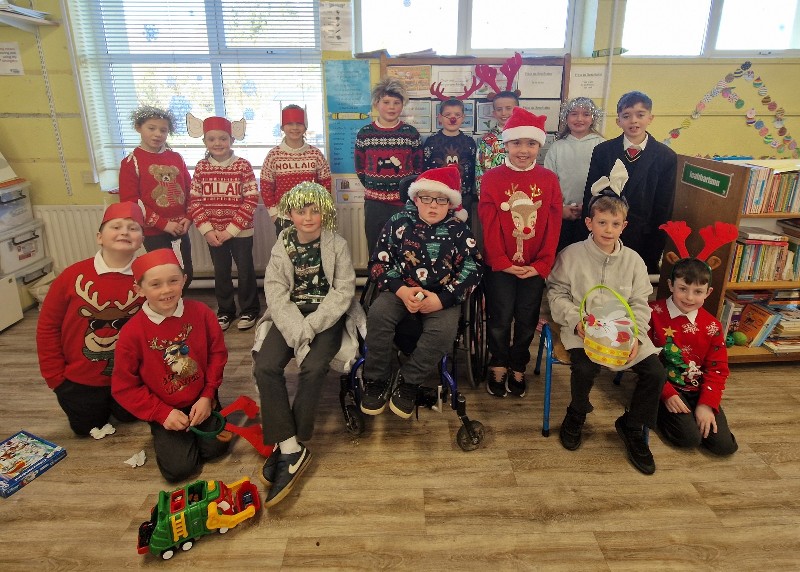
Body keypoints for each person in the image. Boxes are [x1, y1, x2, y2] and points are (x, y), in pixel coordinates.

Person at [252, 181, 365, 508]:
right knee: (265, 366)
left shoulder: (337, 244)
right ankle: (291, 447)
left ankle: (290, 442)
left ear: (324, 213)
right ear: (290, 214)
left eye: (315, 211)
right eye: (301, 211)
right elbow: (275, 292)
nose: (309, 217)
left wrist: (311, 327)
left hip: (326, 316)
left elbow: (343, 292)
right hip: (290, 315)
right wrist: (296, 328)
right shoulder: (282, 244)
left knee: (314, 367)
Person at [547, 183, 666, 475]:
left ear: (624, 226)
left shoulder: (634, 261)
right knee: (584, 367)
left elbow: (640, 302)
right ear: (589, 223)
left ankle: (632, 425)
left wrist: (635, 334)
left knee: (655, 372)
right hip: (582, 329)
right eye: (602, 222)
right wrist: (576, 320)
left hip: (624, 332)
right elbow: (556, 293)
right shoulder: (571, 255)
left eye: (615, 224)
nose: (608, 230)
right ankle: (576, 413)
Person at [360, 165, 482, 419]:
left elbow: (473, 269)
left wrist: (443, 299)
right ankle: (377, 379)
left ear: (450, 203)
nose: (433, 205)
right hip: (400, 290)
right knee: (378, 315)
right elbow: (379, 262)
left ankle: (409, 380)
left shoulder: (459, 230)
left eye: (441, 199)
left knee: (444, 331)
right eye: (426, 198)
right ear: (416, 199)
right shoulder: (398, 223)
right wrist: (401, 290)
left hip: (441, 296)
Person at [112, 249, 229, 482]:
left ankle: (202, 423)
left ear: (184, 280)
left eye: (173, 281)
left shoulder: (202, 313)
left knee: (216, 449)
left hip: (201, 397)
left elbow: (217, 354)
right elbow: (124, 387)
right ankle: (165, 431)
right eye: (155, 284)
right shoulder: (131, 333)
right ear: (139, 289)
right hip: (164, 405)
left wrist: (208, 394)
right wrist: (161, 413)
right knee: (180, 470)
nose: (166, 290)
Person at [36, 202, 145, 437]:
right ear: (99, 237)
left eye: (133, 228)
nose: (124, 232)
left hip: (130, 377)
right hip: (80, 379)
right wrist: (56, 378)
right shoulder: (71, 277)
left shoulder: (147, 278)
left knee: (129, 417)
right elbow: (48, 327)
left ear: (141, 240)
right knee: (85, 429)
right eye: (116, 226)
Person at [477, 107, 562, 398]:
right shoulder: (492, 179)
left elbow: (553, 225)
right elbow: (488, 225)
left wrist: (542, 263)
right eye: (516, 143)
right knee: (500, 318)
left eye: (531, 143)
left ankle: (518, 365)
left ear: (539, 145)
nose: (523, 150)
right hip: (501, 267)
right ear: (506, 144)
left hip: (534, 267)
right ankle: (498, 362)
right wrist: (501, 261)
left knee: (527, 319)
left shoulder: (549, 180)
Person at [581, 90, 677, 274]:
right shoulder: (603, 151)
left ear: (650, 118)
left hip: (643, 238)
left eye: (640, 115)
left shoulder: (666, 157)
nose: (633, 121)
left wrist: (656, 247)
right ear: (618, 121)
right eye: (626, 116)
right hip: (605, 233)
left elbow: (664, 207)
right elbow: (590, 195)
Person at [649, 257, 738, 456]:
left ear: (708, 292)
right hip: (664, 386)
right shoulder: (651, 313)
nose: (689, 297)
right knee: (688, 439)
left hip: (698, 390)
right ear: (671, 285)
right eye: (683, 289)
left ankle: (695, 413)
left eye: (698, 292)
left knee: (723, 446)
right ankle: (658, 412)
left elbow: (718, 369)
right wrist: (666, 393)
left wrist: (706, 404)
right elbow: (645, 360)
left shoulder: (712, 326)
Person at [186, 114, 260, 332]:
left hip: (240, 232)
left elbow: (251, 199)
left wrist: (231, 230)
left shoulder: (243, 166)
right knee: (221, 271)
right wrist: (208, 231)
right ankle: (225, 310)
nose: (217, 143)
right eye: (212, 139)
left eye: (223, 138)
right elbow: (195, 201)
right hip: (213, 234)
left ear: (232, 140)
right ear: (204, 142)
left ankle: (250, 309)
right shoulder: (201, 167)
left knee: (245, 270)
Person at [119, 105, 194, 290]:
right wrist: (163, 224)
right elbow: (131, 202)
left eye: (163, 130)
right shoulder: (131, 162)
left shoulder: (176, 158)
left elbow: (190, 189)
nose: (157, 134)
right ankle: (167, 305)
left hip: (180, 228)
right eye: (151, 128)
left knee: (185, 273)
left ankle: (179, 304)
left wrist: (188, 217)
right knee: (165, 275)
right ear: (138, 127)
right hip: (154, 232)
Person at [355, 77, 423, 251]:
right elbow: (360, 167)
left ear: (402, 105)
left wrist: (406, 192)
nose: (391, 107)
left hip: (403, 202)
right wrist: (375, 188)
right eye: (386, 102)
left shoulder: (410, 133)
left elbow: (418, 167)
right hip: (374, 204)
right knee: (375, 247)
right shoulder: (365, 133)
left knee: (404, 247)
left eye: (396, 103)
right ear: (376, 103)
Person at [543, 97, 605, 252]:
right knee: (562, 255)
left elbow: (607, 181)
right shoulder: (557, 147)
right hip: (563, 214)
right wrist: (561, 208)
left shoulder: (602, 145)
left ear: (593, 118)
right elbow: (548, 182)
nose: (579, 119)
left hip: (594, 214)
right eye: (574, 114)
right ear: (566, 117)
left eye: (586, 114)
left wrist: (591, 204)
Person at [260, 105, 332, 235]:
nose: (295, 128)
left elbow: (326, 185)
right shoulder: (273, 156)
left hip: (311, 217)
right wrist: (274, 215)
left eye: (299, 123)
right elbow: (266, 187)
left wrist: (321, 211)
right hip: (284, 218)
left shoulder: (316, 154)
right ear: (282, 127)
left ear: (305, 127)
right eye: (290, 124)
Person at [423, 98, 477, 222]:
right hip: (437, 196)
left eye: (457, 115)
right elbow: (425, 169)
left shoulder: (469, 142)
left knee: (462, 228)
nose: (453, 118)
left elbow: (473, 169)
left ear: (463, 118)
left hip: (463, 198)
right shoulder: (432, 141)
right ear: (440, 118)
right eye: (448, 115)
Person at [475, 91, 519, 195]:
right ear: (494, 113)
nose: (503, 113)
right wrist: (483, 197)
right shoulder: (487, 140)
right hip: (494, 194)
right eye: (499, 109)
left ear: (517, 110)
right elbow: (480, 171)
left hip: (521, 194)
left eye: (508, 108)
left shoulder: (525, 137)